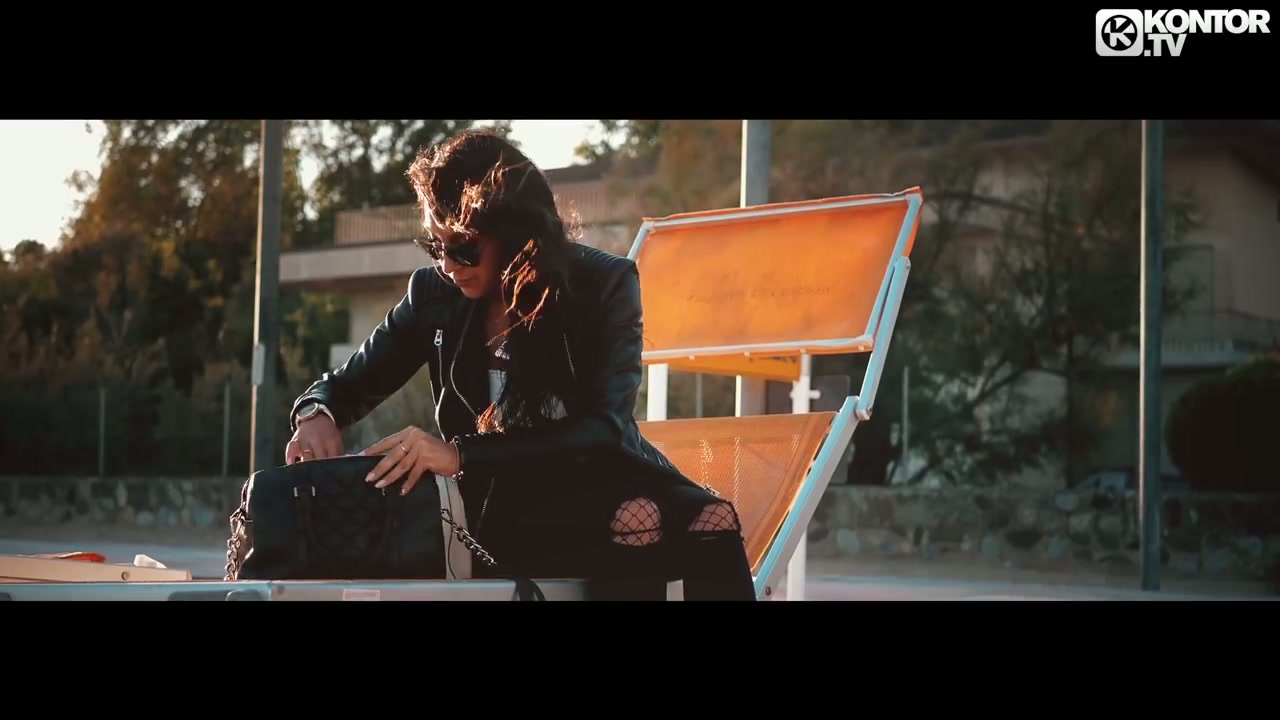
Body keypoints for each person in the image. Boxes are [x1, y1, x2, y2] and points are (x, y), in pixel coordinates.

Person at [284, 129, 757, 601]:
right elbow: (347, 384)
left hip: (602, 477)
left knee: (714, 518)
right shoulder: (432, 297)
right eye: (435, 246)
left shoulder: (603, 284)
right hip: (498, 504)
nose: (447, 265)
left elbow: (604, 429)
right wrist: (316, 413)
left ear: (513, 234)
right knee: (638, 519)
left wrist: (459, 454)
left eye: (463, 247)